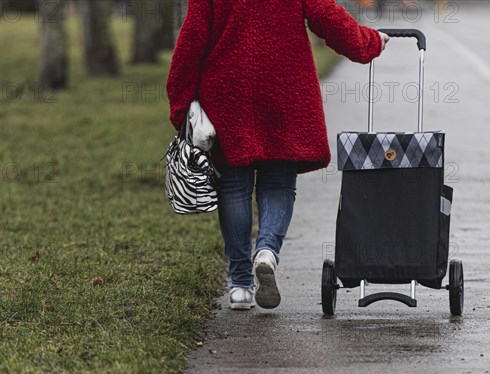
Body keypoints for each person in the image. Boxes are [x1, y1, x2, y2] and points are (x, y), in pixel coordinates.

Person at [166, 0, 389, 310]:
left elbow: (192, 39)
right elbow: (326, 16)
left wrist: (180, 102)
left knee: (234, 185)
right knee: (278, 181)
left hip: (227, 89)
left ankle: (241, 285)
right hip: (284, 85)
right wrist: (369, 41)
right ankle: (268, 250)